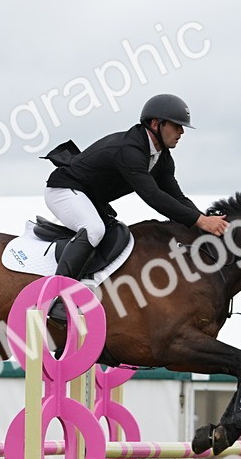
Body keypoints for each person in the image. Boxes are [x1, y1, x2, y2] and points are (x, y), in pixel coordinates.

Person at [42, 93, 229, 324]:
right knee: (94, 229)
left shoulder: (163, 158)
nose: (181, 132)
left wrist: (203, 221)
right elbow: (152, 196)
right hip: (63, 189)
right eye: (177, 126)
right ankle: (55, 298)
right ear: (155, 124)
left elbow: (177, 197)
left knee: (116, 234)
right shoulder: (130, 149)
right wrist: (199, 221)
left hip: (89, 197)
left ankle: (88, 285)